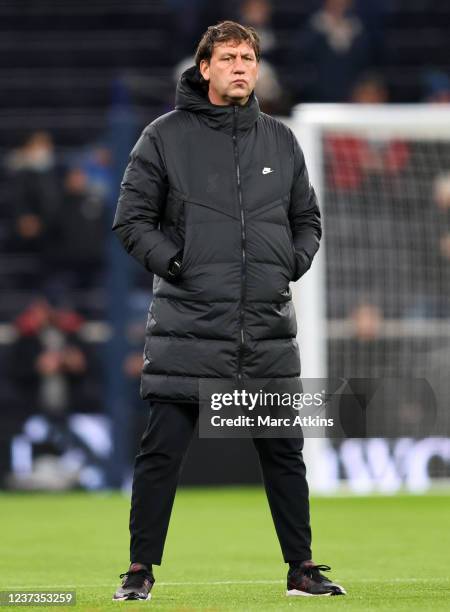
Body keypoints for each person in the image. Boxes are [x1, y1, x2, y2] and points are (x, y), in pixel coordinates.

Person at [111, 20, 346, 601]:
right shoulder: (163, 137)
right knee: (162, 451)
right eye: (231, 57)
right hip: (189, 324)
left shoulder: (281, 139)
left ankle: (302, 568)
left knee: (284, 455)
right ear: (206, 67)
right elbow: (131, 220)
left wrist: (287, 264)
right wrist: (178, 265)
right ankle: (140, 570)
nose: (243, 66)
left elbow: (307, 220)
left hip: (263, 327)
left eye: (249, 57)